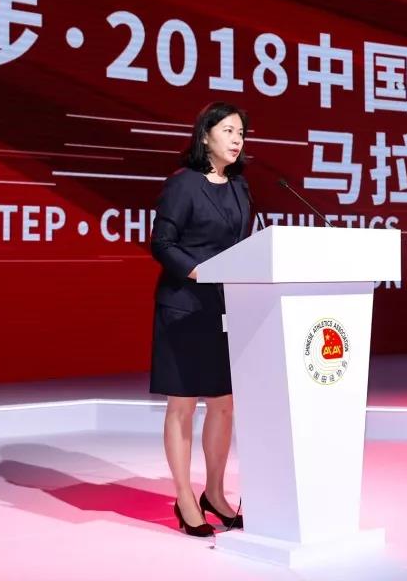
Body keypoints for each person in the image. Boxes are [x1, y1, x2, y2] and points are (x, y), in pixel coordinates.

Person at [149, 102, 252, 537]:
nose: (236, 139)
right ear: (205, 136)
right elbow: (162, 243)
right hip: (185, 306)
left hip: (225, 309)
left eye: (241, 133)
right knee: (184, 405)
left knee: (224, 404)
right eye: (227, 130)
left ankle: (214, 492)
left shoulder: (240, 187)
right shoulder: (183, 184)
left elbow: (245, 246)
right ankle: (185, 499)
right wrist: (199, 272)